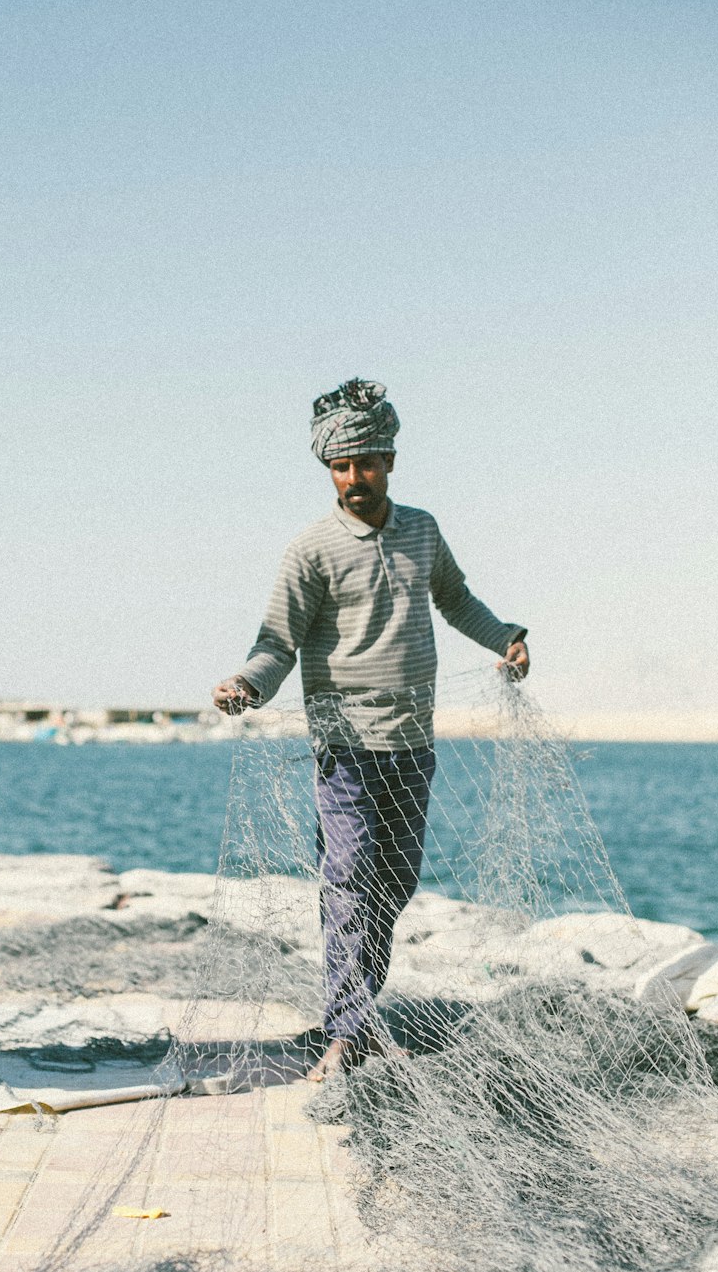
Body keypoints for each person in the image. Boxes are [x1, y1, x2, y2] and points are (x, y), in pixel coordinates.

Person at [213, 378, 528, 1081]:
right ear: (329, 469)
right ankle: (346, 1030)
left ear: (389, 459)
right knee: (349, 878)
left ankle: (361, 1016)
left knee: (393, 883)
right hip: (344, 746)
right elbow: (277, 643)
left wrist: (506, 636)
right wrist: (246, 685)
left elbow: (456, 601)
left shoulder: (422, 529)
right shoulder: (311, 550)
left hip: (412, 741)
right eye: (341, 466)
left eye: (367, 462)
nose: (355, 478)